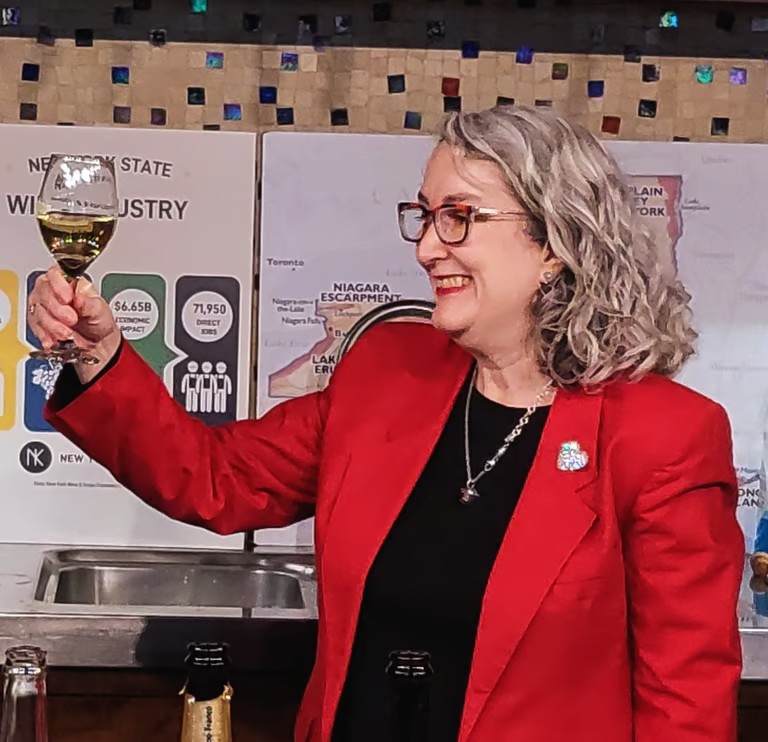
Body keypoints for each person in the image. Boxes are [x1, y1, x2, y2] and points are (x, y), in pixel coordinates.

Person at [29, 104, 744, 742]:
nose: (428, 246)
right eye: (424, 214)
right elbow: (216, 479)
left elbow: (686, 709)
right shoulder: (390, 371)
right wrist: (100, 357)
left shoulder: (662, 437)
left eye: (459, 216)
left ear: (553, 243)